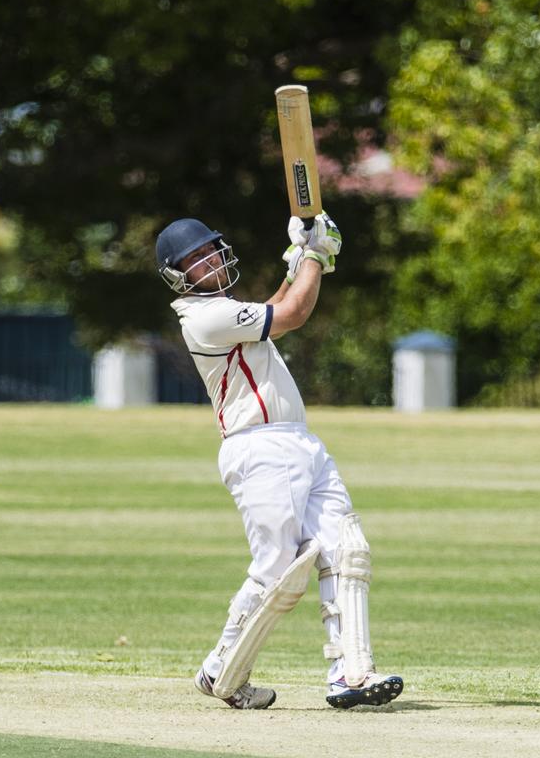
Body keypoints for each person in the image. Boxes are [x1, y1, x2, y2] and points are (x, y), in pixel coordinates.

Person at [155, 213, 403, 710]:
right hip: (260, 447)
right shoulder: (202, 316)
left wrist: (296, 263)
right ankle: (220, 669)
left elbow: (272, 310)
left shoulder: (226, 312)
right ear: (179, 275)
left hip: (298, 442)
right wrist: (316, 253)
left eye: (210, 250)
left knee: (345, 549)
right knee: (278, 569)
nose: (208, 262)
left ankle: (351, 674)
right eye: (195, 260)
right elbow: (290, 316)